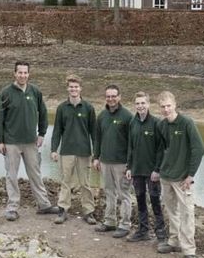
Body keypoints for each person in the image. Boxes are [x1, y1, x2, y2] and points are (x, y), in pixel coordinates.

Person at [0, 60, 60, 221]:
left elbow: (43, 113)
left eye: (25, 72)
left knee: (35, 173)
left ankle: (44, 205)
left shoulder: (35, 92)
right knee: (11, 175)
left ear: (29, 74)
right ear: (14, 73)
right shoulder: (5, 93)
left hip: (31, 142)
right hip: (11, 142)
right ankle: (12, 207)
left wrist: (42, 133)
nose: (23, 75)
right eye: (20, 72)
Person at [155, 91, 204, 258]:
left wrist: (190, 175)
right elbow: (161, 150)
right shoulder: (161, 126)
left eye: (168, 106)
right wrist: (159, 169)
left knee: (187, 213)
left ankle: (189, 251)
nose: (166, 109)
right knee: (171, 211)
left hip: (182, 179)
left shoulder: (187, 123)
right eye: (162, 107)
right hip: (166, 177)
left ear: (175, 105)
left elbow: (199, 150)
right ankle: (174, 241)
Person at [50, 74, 97, 225]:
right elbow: (57, 131)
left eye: (76, 87)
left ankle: (88, 212)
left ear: (80, 88)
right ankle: (63, 210)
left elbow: (94, 133)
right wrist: (53, 149)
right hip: (67, 152)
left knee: (85, 183)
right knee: (65, 182)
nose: (73, 89)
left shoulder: (88, 108)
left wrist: (97, 153)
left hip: (84, 152)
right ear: (67, 89)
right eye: (71, 87)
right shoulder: (62, 108)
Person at [92, 84, 134, 238]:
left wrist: (130, 165)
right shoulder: (102, 116)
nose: (111, 99)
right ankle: (110, 222)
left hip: (121, 164)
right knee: (109, 192)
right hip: (105, 162)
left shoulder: (127, 116)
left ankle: (125, 225)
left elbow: (132, 143)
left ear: (119, 97)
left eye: (113, 96)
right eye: (108, 96)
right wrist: (96, 157)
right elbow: (98, 138)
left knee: (124, 194)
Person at [124, 92, 166, 243]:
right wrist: (129, 167)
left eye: (143, 103)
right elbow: (130, 146)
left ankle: (160, 231)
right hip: (136, 170)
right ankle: (143, 230)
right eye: (137, 103)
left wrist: (157, 169)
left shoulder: (156, 123)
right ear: (134, 105)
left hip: (152, 172)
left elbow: (161, 149)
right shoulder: (132, 123)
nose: (140, 106)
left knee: (155, 199)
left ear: (148, 104)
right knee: (140, 200)